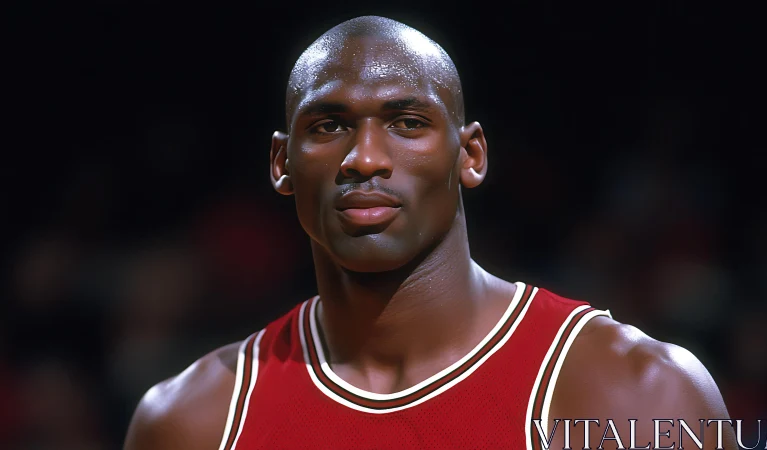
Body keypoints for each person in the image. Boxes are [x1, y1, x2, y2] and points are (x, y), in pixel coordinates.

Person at [123, 16, 736, 450]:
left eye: (407, 122)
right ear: (283, 163)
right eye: (330, 125)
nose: (365, 158)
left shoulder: (636, 393)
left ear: (470, 155)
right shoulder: (193, 422)